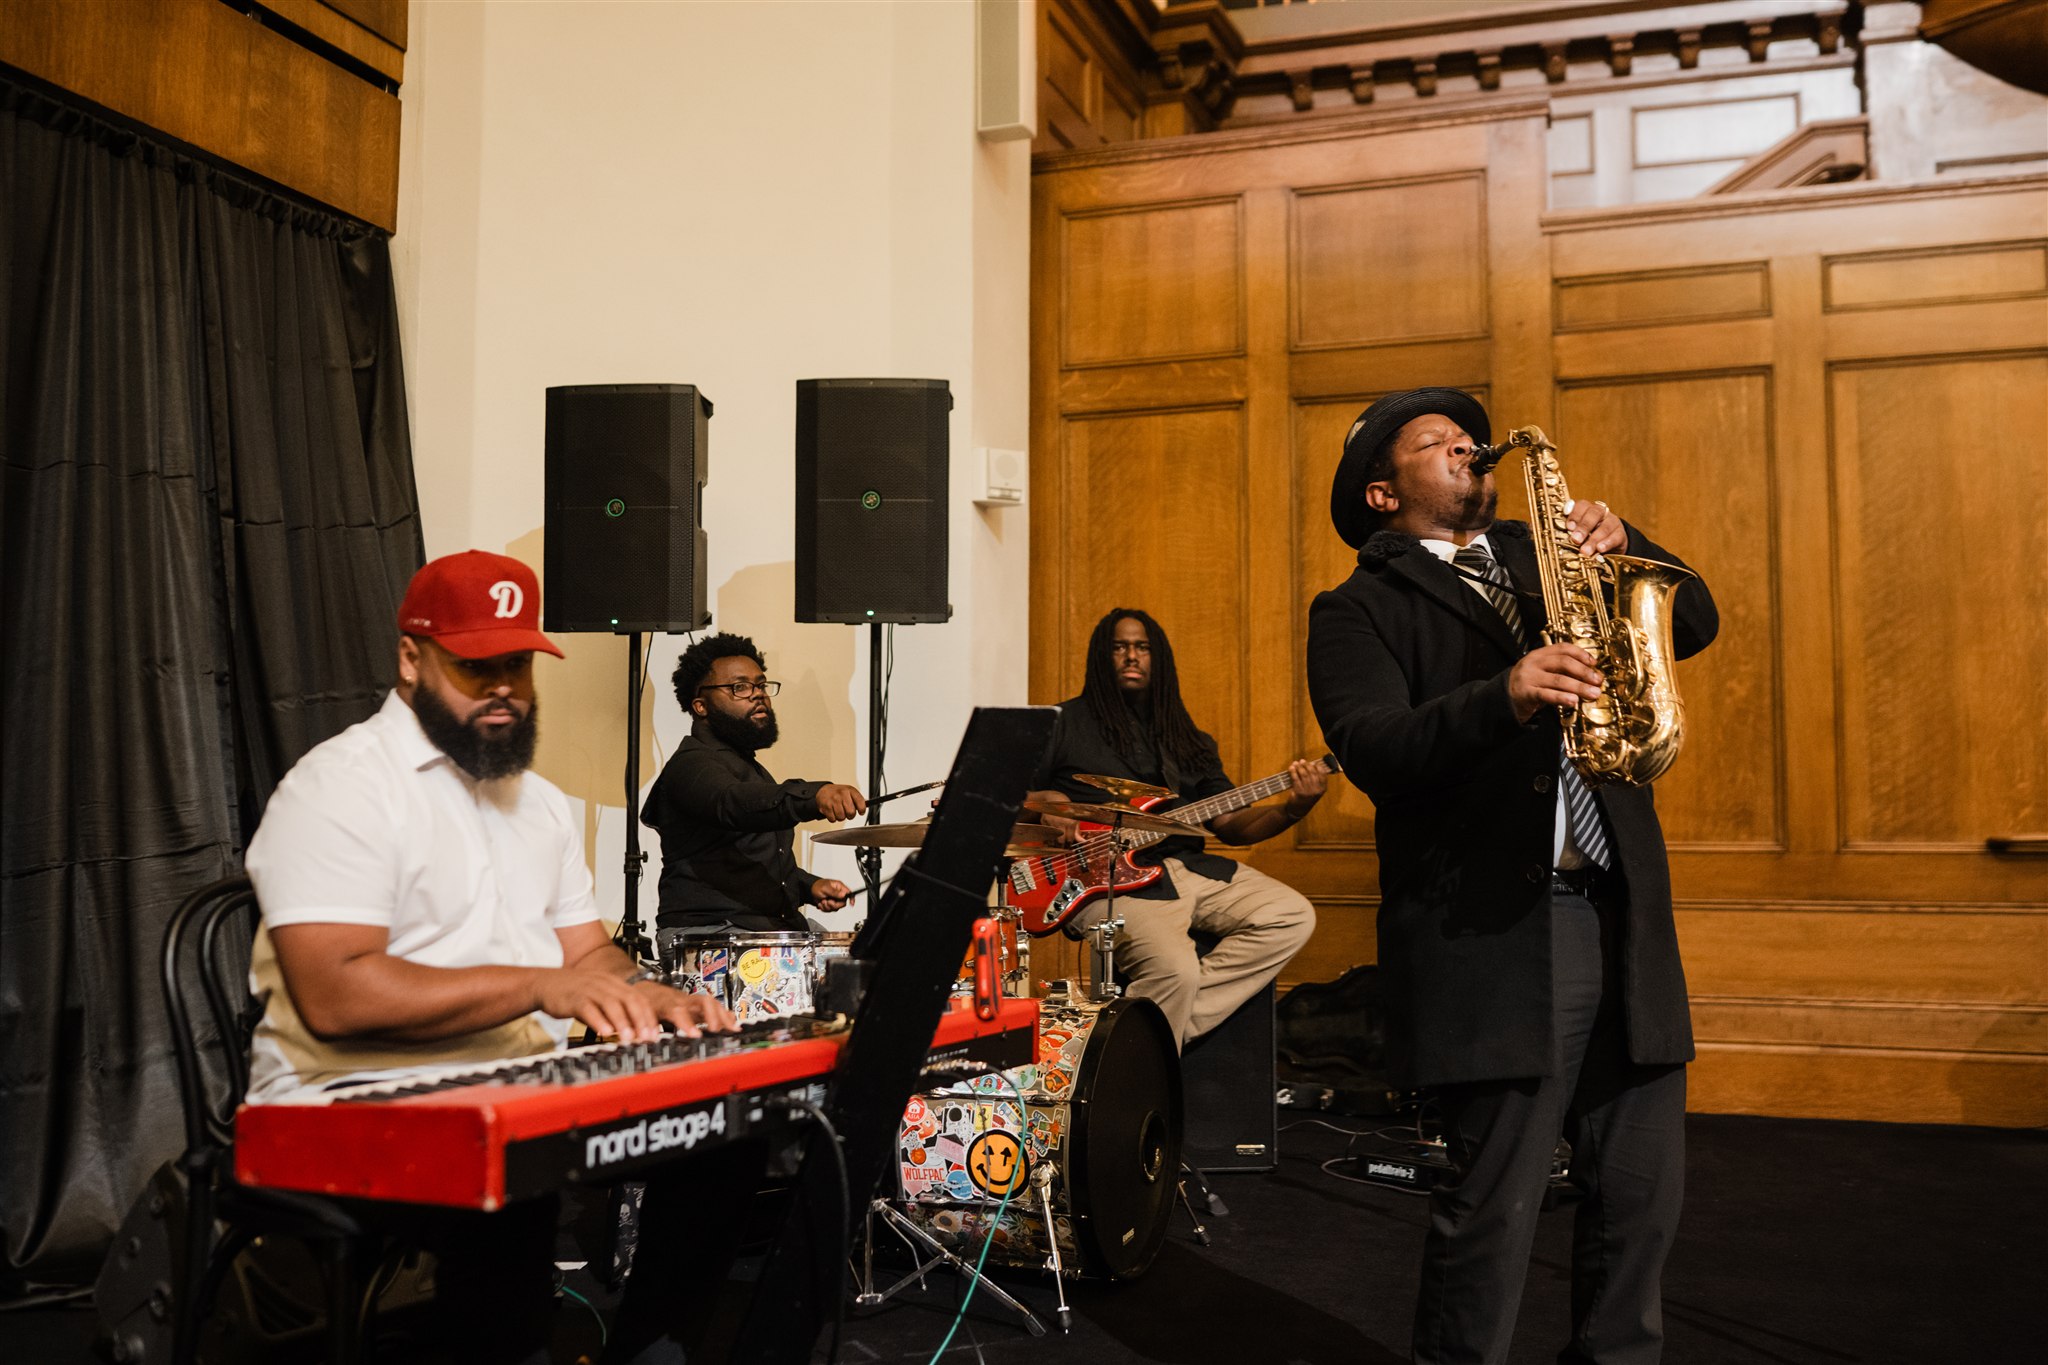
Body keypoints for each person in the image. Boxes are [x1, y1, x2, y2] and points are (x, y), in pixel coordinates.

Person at [242, 548, 746, 1364]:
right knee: (514, 1184)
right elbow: (334, 994)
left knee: (725, 1132)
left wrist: (645, 992)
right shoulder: (338, 786)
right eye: (476, 666)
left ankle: (650, 1350)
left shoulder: (538, 805)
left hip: (508, 1081)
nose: (504, 685)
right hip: (348, 1097)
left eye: (518, 662)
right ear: (411, 659)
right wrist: (544, 987)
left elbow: (589, 953)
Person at [1305, 388, 1719, 1365]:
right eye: (1433, 441)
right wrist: (1507, 694)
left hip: (1617, 905)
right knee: (1491, 1213)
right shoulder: (1357, 606)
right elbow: (1374, 747)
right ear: (1379, 492)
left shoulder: (1548, 560)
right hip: (1492, 932)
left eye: (1467, 437)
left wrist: (1625, 545)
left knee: (1638, 1200)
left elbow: (1689, 620)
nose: (1464, 446)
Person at [1026, 608, 1323, 1049]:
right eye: (1119, 647)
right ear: (1100, 656)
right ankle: (1148, 1052)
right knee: (1174, 972)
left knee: (1291, 916)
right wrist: (1050, 809)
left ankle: (1149, 1044)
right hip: (1103, 880)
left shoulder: (1188, 737)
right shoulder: (1062, 723)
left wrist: (1295, 808)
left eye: (1142, 647)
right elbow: (1011, 795)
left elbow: (1232, 826)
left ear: (1158, 657)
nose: (1131, 656)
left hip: (1185, 866)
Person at [640, 632, 865, 959]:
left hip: (762, 929)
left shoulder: (749, 767)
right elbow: (734, 804)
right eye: (739, 687)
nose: (757, 695)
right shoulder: (691, 765)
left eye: (760, 685)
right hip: (712, 935)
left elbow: (736, 859)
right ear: (700, 705)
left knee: (868, 961)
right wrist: (813, 796)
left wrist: (806, 886)